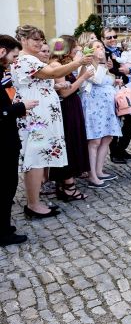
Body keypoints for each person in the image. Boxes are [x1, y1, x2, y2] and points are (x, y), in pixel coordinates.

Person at [11, 25, 92, 218]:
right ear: (23, 40)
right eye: (35, 39)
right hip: (36, 116)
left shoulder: (31, 59)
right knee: (35, 159)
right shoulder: (26, 59)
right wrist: (78, 62)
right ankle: (33, 205)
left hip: (42, 114)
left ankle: (35, 202)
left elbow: (42, 81)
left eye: (41, 39)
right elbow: (52, 73)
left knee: (39, 158)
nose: (40, 43)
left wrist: (55, 87)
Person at [0, 35, 36, 246]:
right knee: (5, 185)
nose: (15, 61)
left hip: (7, 137)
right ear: (2, 51)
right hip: (2, 142)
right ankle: (2, 233)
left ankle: (4, 226)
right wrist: (20, 107)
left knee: (8, 185)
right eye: (14, 56)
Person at [50, 35, 91, 200]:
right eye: (75, 47)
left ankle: (65, 184)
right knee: (69, 144)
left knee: (74, 142)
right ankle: (68, 186)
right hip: (66, 108)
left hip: (73, 105)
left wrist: (83, 66)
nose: (77, 49)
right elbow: (65, 92)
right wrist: (84, 77)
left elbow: (75, 82)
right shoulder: (55, 65)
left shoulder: (64, 63)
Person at [79, 40, 123, 189]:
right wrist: (100, 62)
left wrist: (115, 82)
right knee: (95, 141)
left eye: (102, 47)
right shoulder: (87, 65)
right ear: (90, 51)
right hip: (94, 107)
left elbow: (106, 81)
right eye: (97, 47)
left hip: (106, 108)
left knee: (107, 137)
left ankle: (99, 170)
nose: (101, 49)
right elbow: (96, 80)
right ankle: (92, 175)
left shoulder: (104, 65)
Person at [103, 27, 131, 164]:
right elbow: (108, 71)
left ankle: (122, 148)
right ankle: (114, 152)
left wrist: (130, 70)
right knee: (116, 120)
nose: (113, 39)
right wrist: (121, 72)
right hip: (113, 89)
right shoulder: (103, 53)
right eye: (109, 37)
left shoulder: (122, 50)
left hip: (127, 89)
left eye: (114, 36)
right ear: (103, 39)